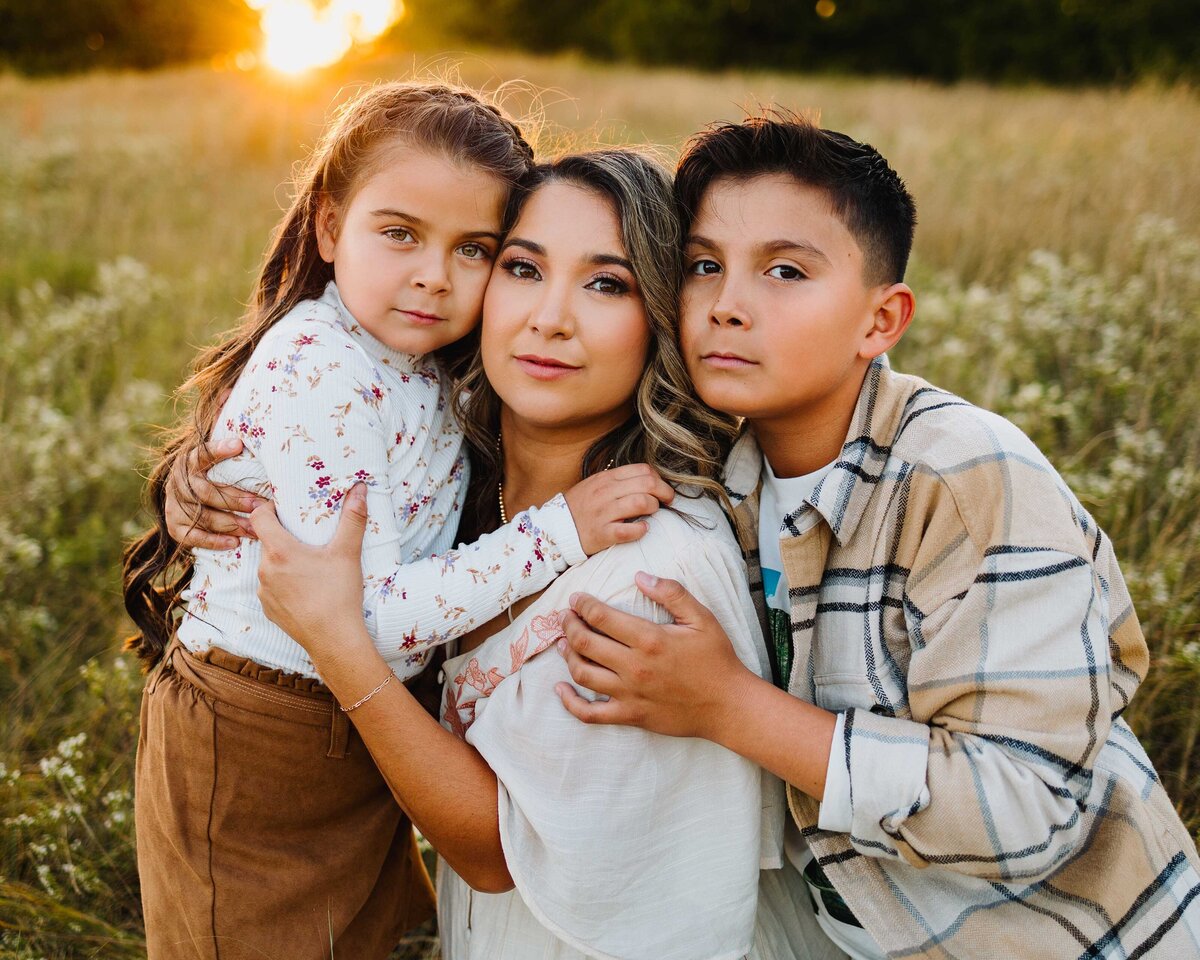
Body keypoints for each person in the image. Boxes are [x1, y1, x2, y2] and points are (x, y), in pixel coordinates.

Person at [557, 115, 1200, 959]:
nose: (727, 305)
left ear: (880, 320)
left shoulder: (968, 478)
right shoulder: (722, 485)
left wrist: (727, 706)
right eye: (704, 265)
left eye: (785, 271)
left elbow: (1026, 808)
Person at [167, 149, 829, 960]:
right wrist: (206, 465)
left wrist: (336, 641)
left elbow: (494, 851)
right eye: (522, 267)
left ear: (661, 317)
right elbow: (333, 411)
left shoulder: (644, 570)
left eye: (606, 284)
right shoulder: (468, 458)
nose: (551, 318)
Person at [121, 84, 672, 960]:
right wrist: (560, 532)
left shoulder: (428, 360)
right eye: (401, 233)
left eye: (476, 251)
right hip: (260, 731)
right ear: (330, 227)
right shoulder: (319, 369)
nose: (433, 275)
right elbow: (360, 618)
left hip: (352, 716)